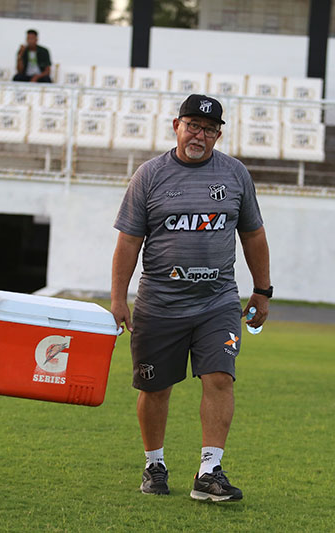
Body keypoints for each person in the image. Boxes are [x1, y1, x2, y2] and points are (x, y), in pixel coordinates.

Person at [111, 94, 272, 502]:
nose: (199, 135)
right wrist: (118, 298)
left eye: (209, 129)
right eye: (192, 126)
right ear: (176, 126)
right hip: (159, 304)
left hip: (217, 302)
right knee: (155, 388)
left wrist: (262, 290)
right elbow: (128, 241)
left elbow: (253, 233)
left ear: (219, 134)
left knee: (220, 378)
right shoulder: (149, 176)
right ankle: (154, 465)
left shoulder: (235, 174)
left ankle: (208, 471)